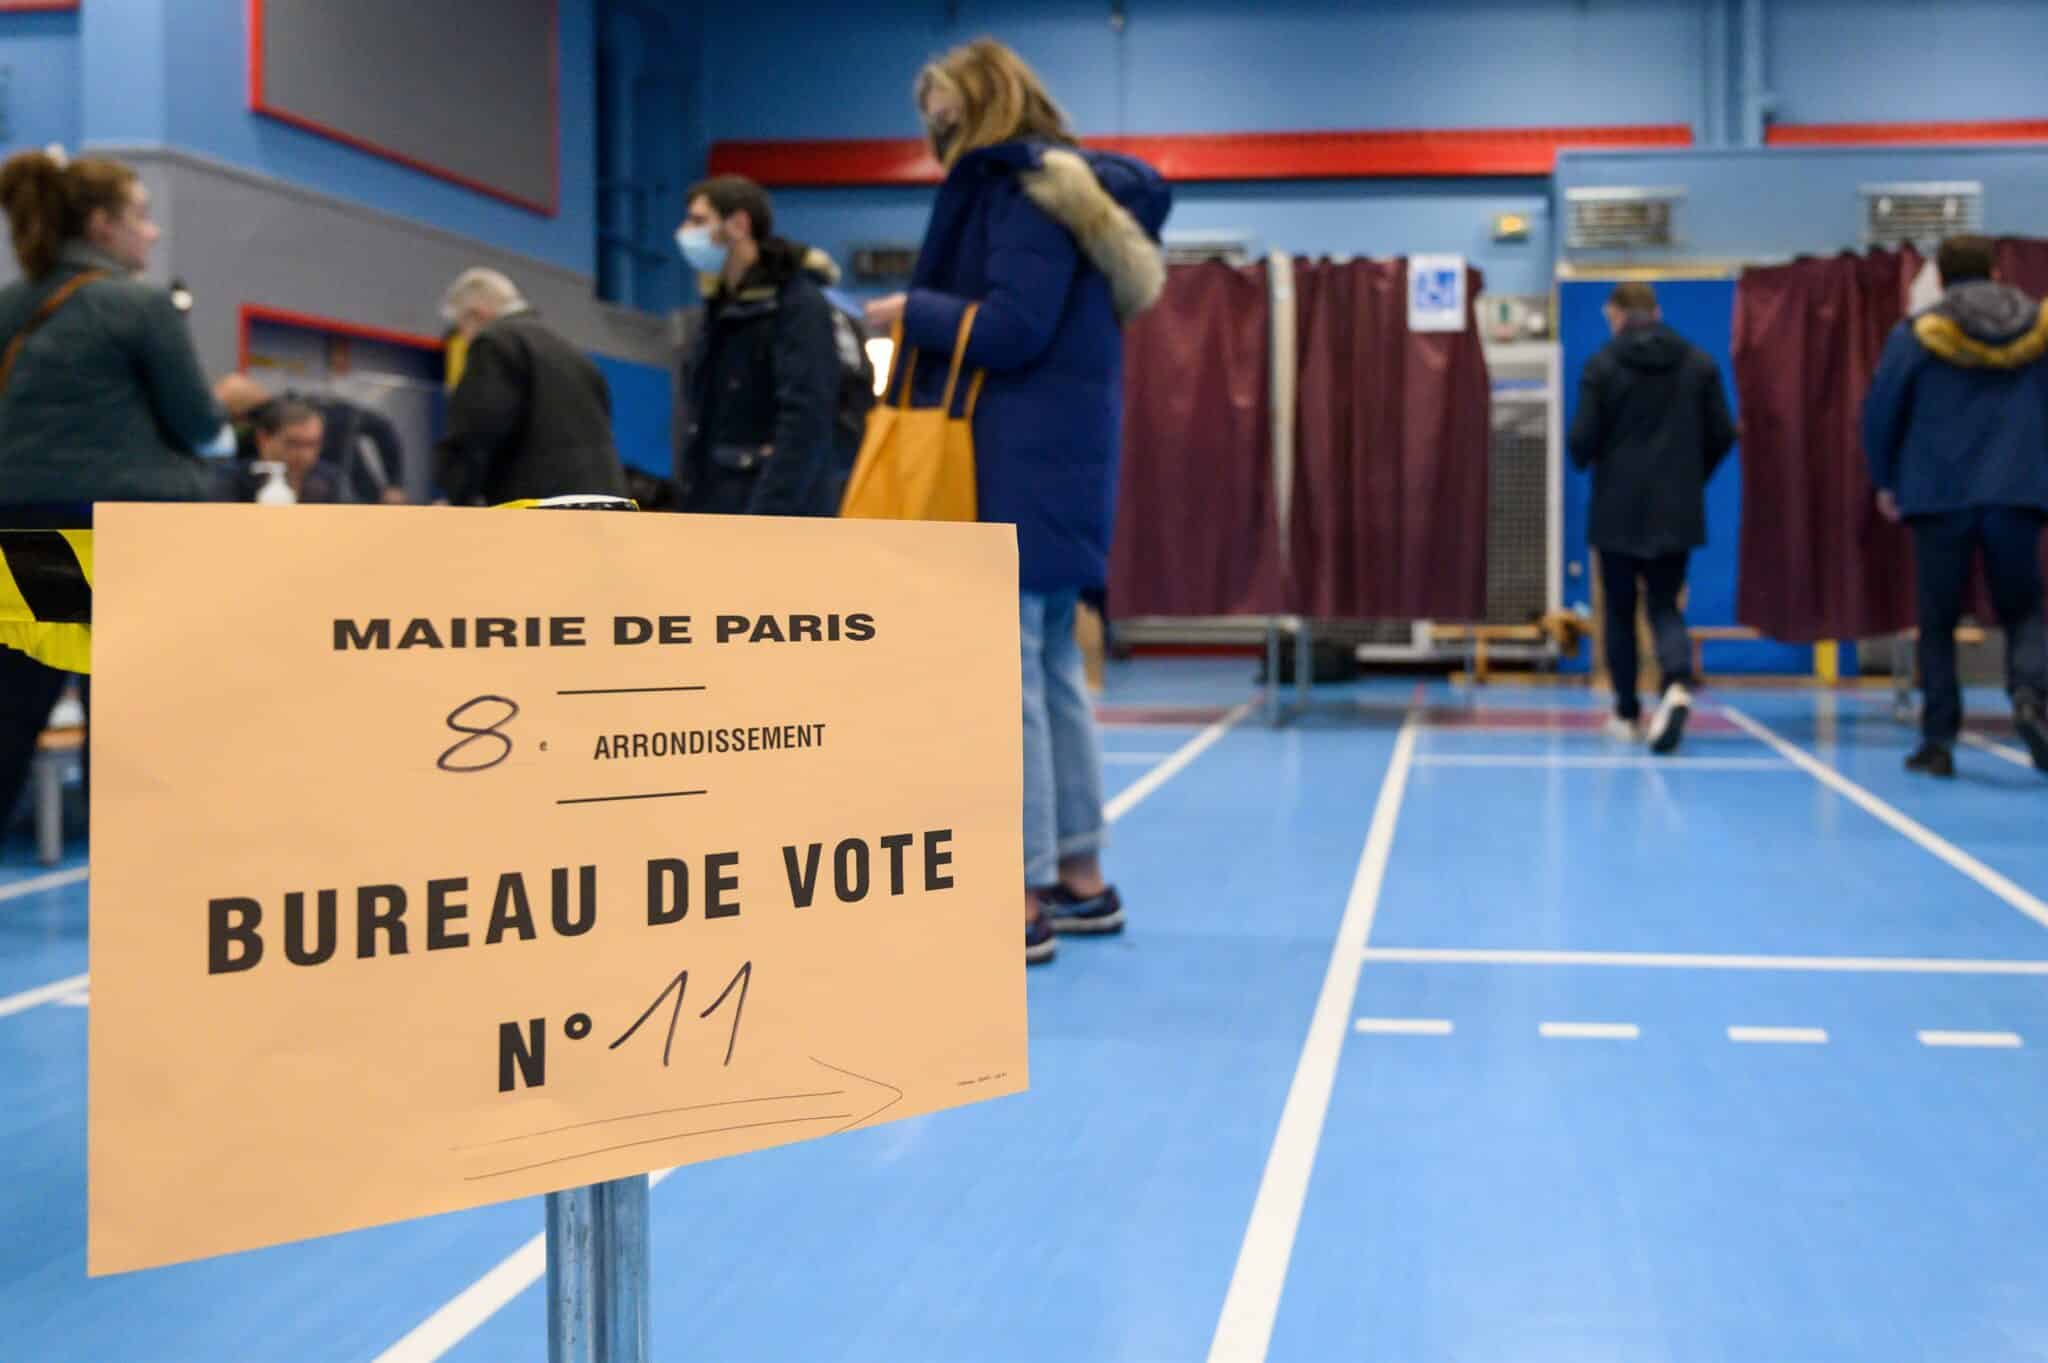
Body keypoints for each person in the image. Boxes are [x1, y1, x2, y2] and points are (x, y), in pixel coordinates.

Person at [864, 39, 1169, 964]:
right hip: (1065, 458)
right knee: (1051, 667)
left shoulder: (1014, 192)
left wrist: (905, 312)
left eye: (942, 119)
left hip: (1012, 457)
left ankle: (1022, 892)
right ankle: (1082, 879)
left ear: (979, 111)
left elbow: (1013, 327)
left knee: (1012, 677)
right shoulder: (1084, 195)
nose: (933, 138)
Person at [0, 148, 229, 841]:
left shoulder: (12, 304)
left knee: (18, 703)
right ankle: (138, 882)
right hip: (128, 531)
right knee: (131, 713)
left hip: (31, 522)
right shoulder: (137, 303)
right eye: (141, 215)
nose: (152, 233)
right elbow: (198, 422)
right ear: (102, 224)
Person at [1863, 234, 2048, 778]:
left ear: (1938, 277)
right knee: (2025, 610)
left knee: (1938, 619)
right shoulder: (2039, 326)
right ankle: (2032, 699)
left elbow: (1881, 411)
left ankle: (1938, 740)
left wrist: (1885, 479)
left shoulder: (1919, 333)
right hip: (2017, 489)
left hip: (1937, 493)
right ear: (1996, 270)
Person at [1567, 281, 1736, 755]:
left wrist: (1599, 457)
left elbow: (1580, 443)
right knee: (1664, 605)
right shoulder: (1699, 363)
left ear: (1616, 315)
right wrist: (1689, 476)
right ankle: (1676, 684)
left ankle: (1625, 711)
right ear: (1657, 312)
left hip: (1616, 507)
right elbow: (1723, 433)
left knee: (1619, 612)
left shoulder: (1601, 366)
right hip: (1676, 507)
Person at [674, 176, 845, 517]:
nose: (684, 232)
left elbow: (805, 420)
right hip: (717, 507)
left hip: (772, 516)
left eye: (698, 220)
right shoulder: (719, 309)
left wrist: (766, 519)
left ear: (738, 224)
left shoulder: (797, 304)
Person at [434, 268, 626, 505]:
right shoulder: (571, 352)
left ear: (477, 314)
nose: (463, 338)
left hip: (541, 509)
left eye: (461, 328)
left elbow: (477, 430)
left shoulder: (495, 343)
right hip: (605, 502)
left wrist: (455, 496)